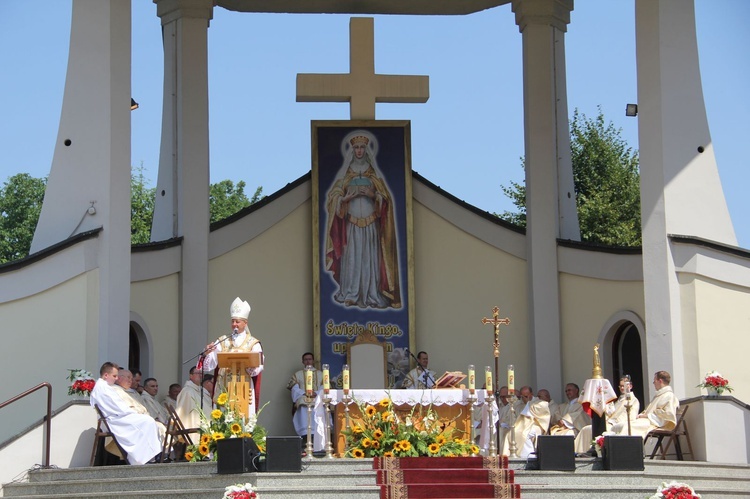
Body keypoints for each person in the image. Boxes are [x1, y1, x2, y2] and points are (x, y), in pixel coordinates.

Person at [324, 129, 401, 309]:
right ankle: (350, 293)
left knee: (369, 259)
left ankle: (372, 294)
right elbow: (333, 197)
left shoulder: (374, 176)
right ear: (352, 151)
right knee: (352, 259)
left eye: (362, 147)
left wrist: (374, 195)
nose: (359, 150)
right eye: (356, 148)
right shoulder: (346, 175)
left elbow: (386, 200)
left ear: (366, 150)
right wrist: (345, 199)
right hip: (351, 224)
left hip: (371, 225)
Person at [90, 362, 163, 465]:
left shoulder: (105, 387)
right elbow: (118, 408)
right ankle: (141, 458)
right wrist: (133, 412)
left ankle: (141, 457)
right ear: (106, 375)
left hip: (117, 417)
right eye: (114, 376)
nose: (116, 379)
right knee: (148, 421)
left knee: (147, 421)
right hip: (114, 420)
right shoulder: (103, 388)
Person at [202, 297, 264, 414]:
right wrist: (207, 353)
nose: (234, 324)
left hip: (243, 387)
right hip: (224, 387)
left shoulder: (253, 343)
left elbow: (258, 366)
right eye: (232, 321)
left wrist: (247, 365)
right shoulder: (222, 341)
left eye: (237, 321)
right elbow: (209, 365)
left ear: (245, 323)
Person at [575, 376, 641, 452]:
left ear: (630, 386)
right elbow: (611, 413)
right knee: (586, 429)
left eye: (624, 386)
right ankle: (580, 451)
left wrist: (612, 422)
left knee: (592, 429)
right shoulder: (619, 400)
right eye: (621, 386)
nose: (622, 388)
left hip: (616, 424)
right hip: (609, 422)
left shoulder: (634, 400)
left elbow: (630, 416)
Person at [612, 370, 679, 439]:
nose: (654, 383)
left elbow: (668, 414)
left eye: (654, 381)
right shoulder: (659, 395)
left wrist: (647, 416)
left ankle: (628, 448)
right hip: (649, 420)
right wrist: (642, 415)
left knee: (628, 427)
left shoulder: (669, 396)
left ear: (660, 381)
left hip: (655, 423)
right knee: (622, 425)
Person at [502, 386, 550, 458]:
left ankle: (528, 456)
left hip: (535, 425)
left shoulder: (539, 402)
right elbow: (513, 417)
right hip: (521, 426)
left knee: (525, 434)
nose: (523, 398)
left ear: (531, 394)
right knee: (510, 433)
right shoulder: (519, 405)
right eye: (521, 396)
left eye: (526, 396)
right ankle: (513, 455)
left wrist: (529, 404)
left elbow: (543, 414)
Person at [287, 352, 324, 443]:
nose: (308, 361)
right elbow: (294, 388)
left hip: (317, 397)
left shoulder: (321, 374)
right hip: (303, 397)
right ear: (303, 361)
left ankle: (317, 436)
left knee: (320, 403)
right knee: (303, 402)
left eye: (310, 359)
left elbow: (324, 387)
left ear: (313, 361)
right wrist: (304, 393)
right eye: (306, 359)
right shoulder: (298, 374)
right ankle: (305, 435)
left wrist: (316, 393)